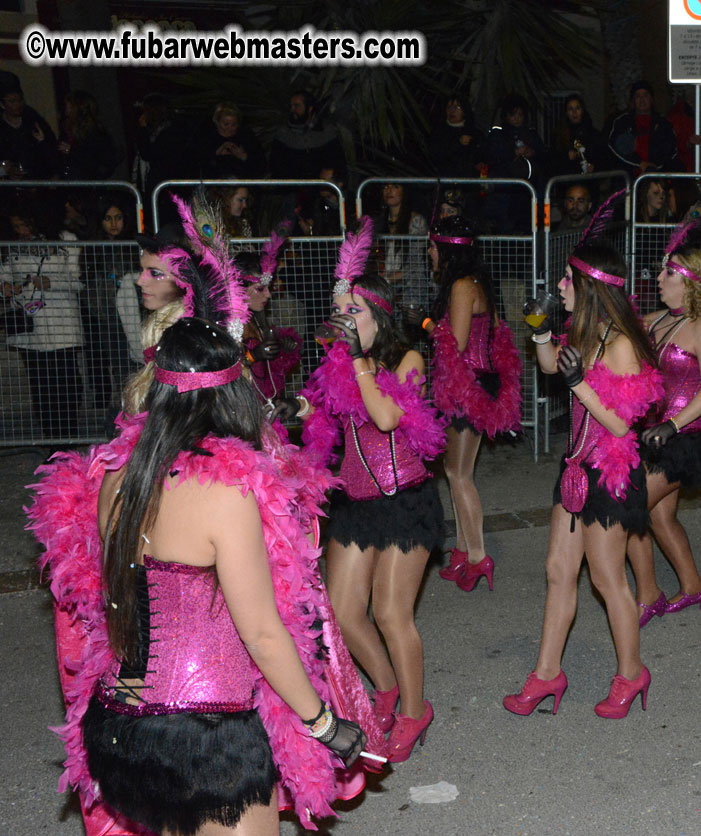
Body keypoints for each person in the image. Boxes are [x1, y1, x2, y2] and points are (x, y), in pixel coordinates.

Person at [28, 318, 368, 836]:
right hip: (207, 738)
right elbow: (262, 634)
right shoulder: (225, 493)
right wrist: (323, 723)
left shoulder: (117, 476)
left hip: (119, 728)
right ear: (234, 395)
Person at [297, 224, 447, 761]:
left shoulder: (409, 361)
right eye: (339, 311)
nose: (343, 319)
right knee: (341, 611)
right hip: (357, 503)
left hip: (405, 500)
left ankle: (415, 710)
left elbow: (384, 417)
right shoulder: (338, 366)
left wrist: (357, 359)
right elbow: (329, 426)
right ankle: (385, 687)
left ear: (378, 317)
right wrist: (301, 410)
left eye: (353, 311)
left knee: (389, 612)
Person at [506, 242, 663, 719]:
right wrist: (540, 331)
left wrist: (579, 385)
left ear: (589, 288)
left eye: (567, 280)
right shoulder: (585, 331)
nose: (559, 286)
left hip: (609, 472)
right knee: (558, 569)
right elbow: (550, 364)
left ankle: (632, 673)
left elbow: (620, 424)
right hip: (574, 468)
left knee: (607, 579)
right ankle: (547, 673)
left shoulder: (621, 345)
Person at [626, 241, 701, 626]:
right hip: (655, 436)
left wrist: (673, 424)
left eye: (668, 272)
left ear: (688, 282)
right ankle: (694, 586)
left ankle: (648, 595)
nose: (659, 277)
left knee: (629, 509)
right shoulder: (660, 320)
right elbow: (617, 323)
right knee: (661, 518)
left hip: (685, 439)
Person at [424, 216, 522, 591]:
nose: (430, 253)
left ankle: (479, 557)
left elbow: (457, 344)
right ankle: (463, 551)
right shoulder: (479, 281)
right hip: (478, 384)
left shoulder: (463, 286)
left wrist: (426, 325)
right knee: (456, 471)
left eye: (433, 247)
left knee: (459, 475)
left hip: (467, 388)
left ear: (446, 250)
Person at [3, 203, 84, 440]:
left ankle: (68, 434)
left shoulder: (66, 240)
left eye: (24, 225)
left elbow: (79, 280)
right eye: (16, 226)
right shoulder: (10, 245)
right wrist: (6, 287)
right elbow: (4, 275)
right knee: (40, 384)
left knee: (66, 381)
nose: (22, 231)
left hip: (62, 322)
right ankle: (50, 436)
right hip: (28, 324)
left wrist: (52, 283)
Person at [82, 199, 139, 415]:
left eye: (118, 218)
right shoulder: (94, 249)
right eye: (108, 218)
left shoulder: (134, 246)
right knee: (120, 369)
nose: (114, 224)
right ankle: (123, 415)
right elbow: (90, 287)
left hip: (134, 317)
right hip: (109, 320)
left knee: (138, 367)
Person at [237, 238, 301, 407]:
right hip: (241, 409)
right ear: (239, 288)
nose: (268, 295)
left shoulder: (256, 321)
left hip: (263, 407)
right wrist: (253, 356)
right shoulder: (225, 323)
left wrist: (283, 349)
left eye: (268, 287)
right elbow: (221, 374)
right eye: (260, 288)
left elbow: (268, 373)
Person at [373, 181, 431, 311]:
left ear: (404, 191)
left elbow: (417, 263)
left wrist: (390, 278)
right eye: (385, 186)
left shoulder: (416, 221)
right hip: (386, 285)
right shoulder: (380, 222)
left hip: (410, 286)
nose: (389, 190)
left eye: (395, 186)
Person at [269, 90, 346, 181]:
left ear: (309, 108)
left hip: (319, 186)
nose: (292, 110)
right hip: (292, 186)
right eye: (291, 106)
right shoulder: (283, 134)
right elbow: (276, 167)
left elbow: (337, 162)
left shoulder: (325, 132)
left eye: (297, 106)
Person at [608, 80, 678, 175]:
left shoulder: (663, 124)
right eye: (638, 96)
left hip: (657, 175)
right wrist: (639, 163)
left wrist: (654, 167)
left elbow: (671, 149)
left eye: (645, 95)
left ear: (651, 99)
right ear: (633, 100)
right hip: (628, 175)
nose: (642, 100)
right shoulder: (622, 122)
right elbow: (615, 147)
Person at [0, 72, 57, 179]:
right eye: (12, 101)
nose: (17, 105)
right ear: (2, 104)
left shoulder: (33, 121)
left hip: (35, 181)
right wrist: (5, 170)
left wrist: (42, 142)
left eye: (20, 100)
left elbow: (51, 154)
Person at [56, 90, 118, 180]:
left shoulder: (95, 133)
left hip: (88, 184)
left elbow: (96, 161)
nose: (66, 111)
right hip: (70, 183)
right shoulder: (67, 131)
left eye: (69, 108)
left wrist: (72, 151)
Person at [196, 102, 264, 179]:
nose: (230, 128)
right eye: (226, 124)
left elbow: (260, 165)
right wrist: (216, 153)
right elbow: (198, 165)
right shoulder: (207, 138)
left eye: (233, 125)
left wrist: (243, 156)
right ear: (217, 122)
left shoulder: (247, 137)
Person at [550, 93, 609, 176]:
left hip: (589, 180)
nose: (574, 112)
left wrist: (595, 167)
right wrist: (566, 157)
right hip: (566, 180)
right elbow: (552, 161)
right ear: (566, 112)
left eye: (577, 108)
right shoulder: (559, 134)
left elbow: (604, 159)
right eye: (570, 109)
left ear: (582, 110)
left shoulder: (593, 134)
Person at [429, 94, 483, 178]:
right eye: (449, 107)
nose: (452, 110)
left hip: (470, 181)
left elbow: (482, 157)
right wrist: (458, 143)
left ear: (464, 110)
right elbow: (436, 155)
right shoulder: (439, 132)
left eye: (457, 107)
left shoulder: (475, 133)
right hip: (446, 179)